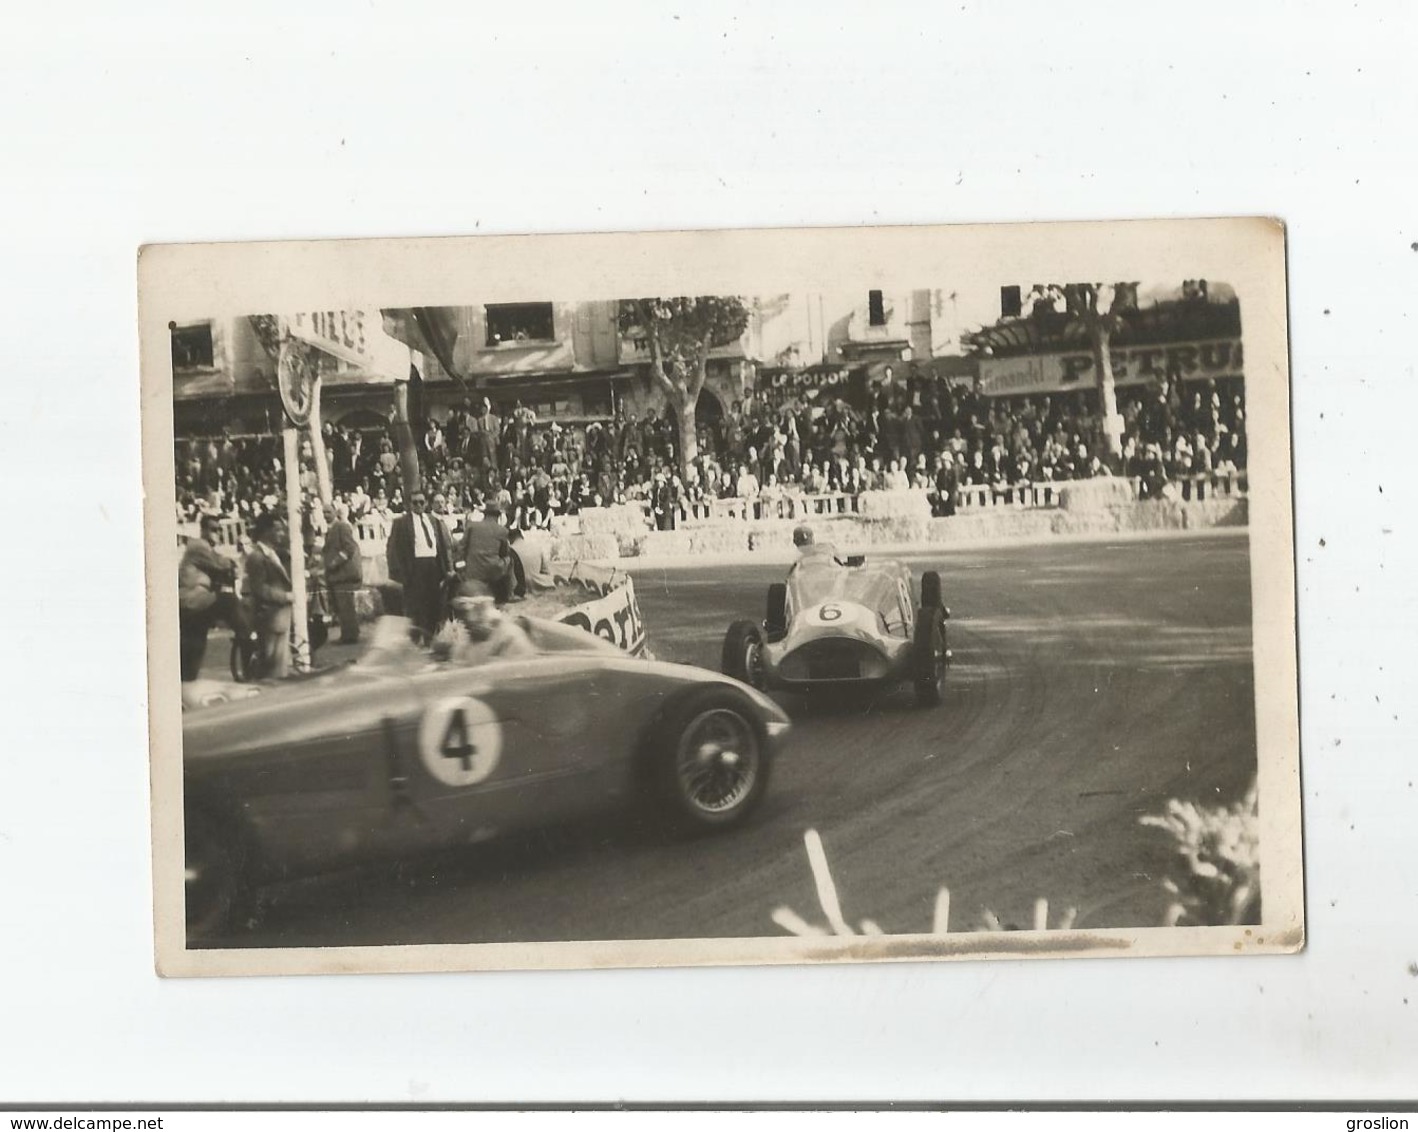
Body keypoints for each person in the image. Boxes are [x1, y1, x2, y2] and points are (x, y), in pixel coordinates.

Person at [385, 489, 456, 640]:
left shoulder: (433, 521)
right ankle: (416, 639)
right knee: (416, 606)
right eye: (415, 502)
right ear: (409, 504)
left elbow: (443, 546)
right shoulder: (401, 523)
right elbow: (392, 549)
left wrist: (448, 568)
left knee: (434, 603)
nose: (418, 505)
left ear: (426, 503)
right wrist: (398, 574)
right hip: (414, 568)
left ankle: (431, 638)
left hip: (433, 567)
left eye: (421, 502)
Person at [178, 514, 237, 681]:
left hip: (198, 601)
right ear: (203, 530)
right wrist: (230, 564)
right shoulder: (198, 546)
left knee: (195, 648)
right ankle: (246, 636)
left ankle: (187, 682)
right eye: (213, 529)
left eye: (219, 530)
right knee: (228, 600)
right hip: (191, 599)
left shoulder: (208, 549)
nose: (216, 533)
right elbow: (220, 565)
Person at [243, 511, 294, 679]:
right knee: (271, 668)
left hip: (280, 616)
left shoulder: (275, 554)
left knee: (280, 666)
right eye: (277, 530)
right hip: (268, 616)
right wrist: (284, 596)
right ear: (266, 531)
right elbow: (259, 588)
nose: (281, 534)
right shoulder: (257, 557)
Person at [442, 591, 536, 666]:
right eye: (462, 614)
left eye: (478, 611)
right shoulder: (463, 648)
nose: (466, 619)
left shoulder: (509, 638)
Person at [321, 501, 363, 644]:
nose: (326, 515)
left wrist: (336, 562)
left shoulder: (342, 527)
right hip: (335, 575)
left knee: (346, 606)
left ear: (335, 512)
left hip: (343, 573)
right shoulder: (330, 529)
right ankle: (348, 633)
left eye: (328, 512)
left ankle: (350, 636)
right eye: (324, 513)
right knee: (341, 606)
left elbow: (350, 548)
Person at [459, 501, 514, 603]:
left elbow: (462, 547)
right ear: (498, 516)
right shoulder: (502, 530)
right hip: (491, 570)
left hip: (472, 569)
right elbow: (504, 552)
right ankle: (510, 593)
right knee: (510, 559)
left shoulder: (471, 526)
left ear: (484, 514)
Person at [507, 526, 556, 596]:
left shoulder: (511, 550)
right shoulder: (537, 547)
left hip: (521, 586)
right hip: (539, 583)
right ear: (522, 536)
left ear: (509, 539)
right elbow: (546, 571)